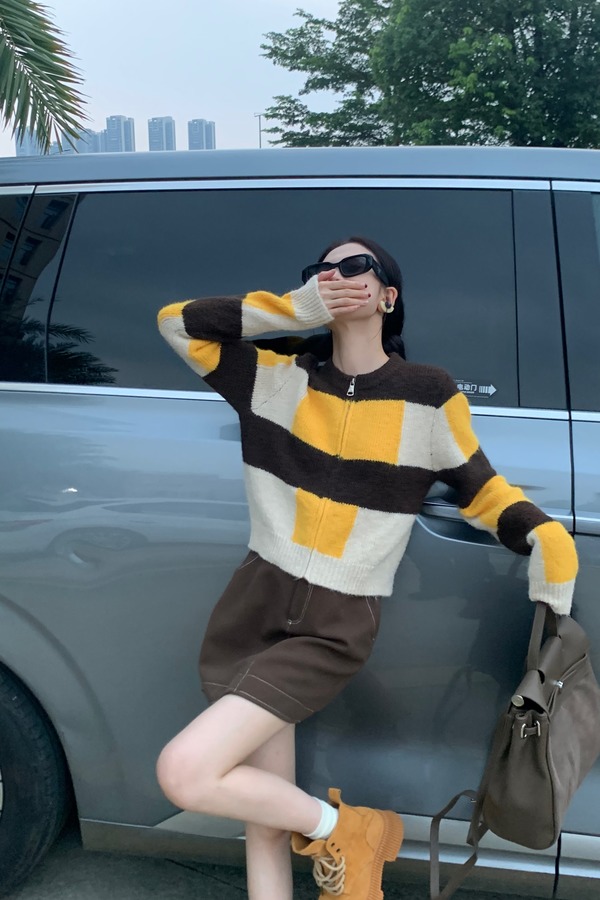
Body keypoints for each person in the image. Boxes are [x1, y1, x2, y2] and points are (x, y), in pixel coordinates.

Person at [155, 236, 578, 900]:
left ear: (387, 295)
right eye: (320, 271)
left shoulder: (427, 396)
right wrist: (293, 310)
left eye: (354, 267)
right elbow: (177, 323)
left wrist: (544, 534)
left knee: (184, 772)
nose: (335, 276)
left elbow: (482, 490)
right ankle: (340, 831)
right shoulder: (278, 380)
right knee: (263, 822)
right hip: (253, 606)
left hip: (333, 622)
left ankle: (351, 830)